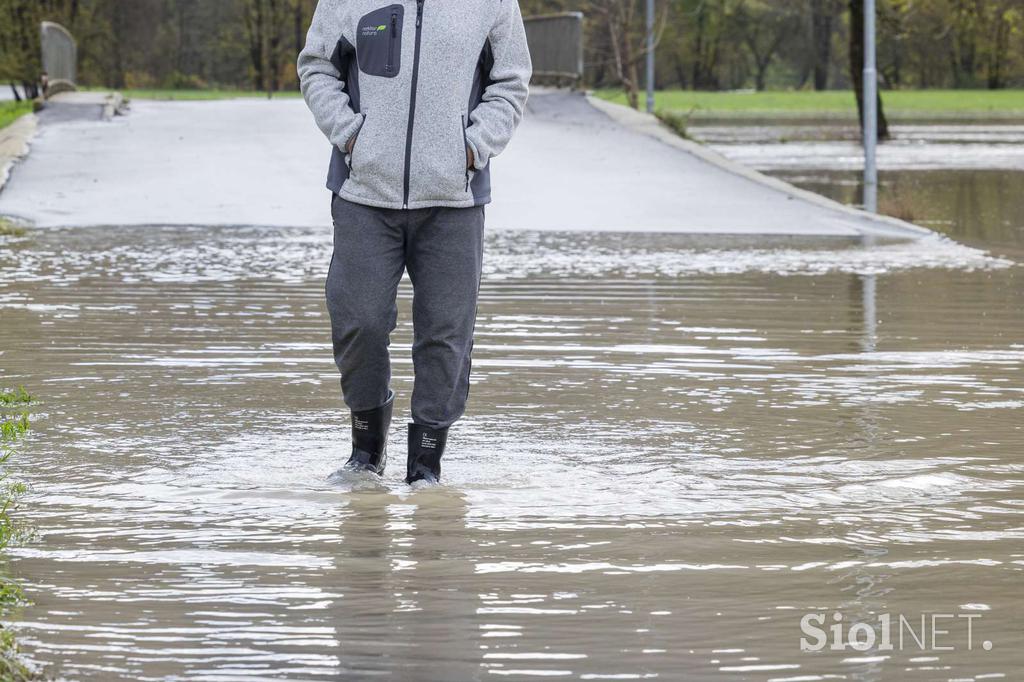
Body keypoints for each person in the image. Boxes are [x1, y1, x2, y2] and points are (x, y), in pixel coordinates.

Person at [298, 0, 532, 484]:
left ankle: (426, 465)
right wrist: (349, 135)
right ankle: (366, 451)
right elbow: (317, 66)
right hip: (364, 192)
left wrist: (474, 146)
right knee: (358, 320)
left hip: (454, 198)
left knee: (446, 335)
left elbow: (511, 81)